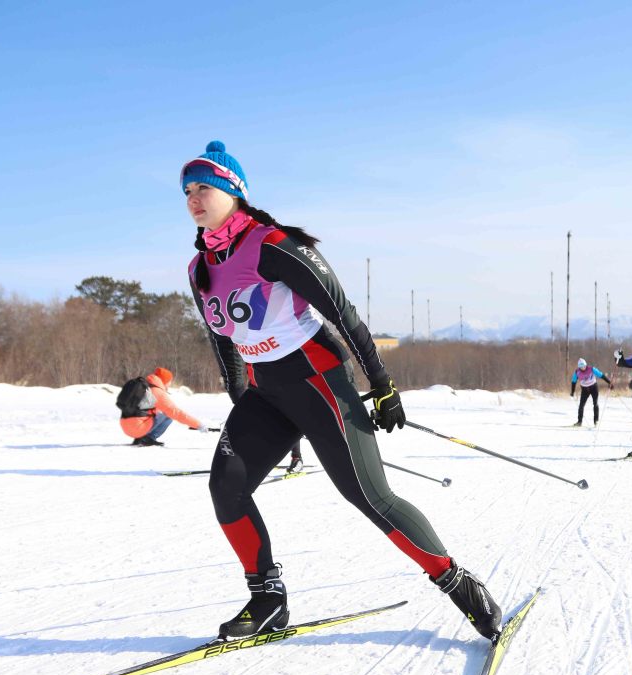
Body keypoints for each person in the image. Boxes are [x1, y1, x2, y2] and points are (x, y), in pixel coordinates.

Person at [181, 140, 501, 641]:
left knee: (369, 497)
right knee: (226, 485)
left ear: (234, 192)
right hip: (267, 394)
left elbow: (342, 312)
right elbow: (222, 339)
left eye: (204, 187)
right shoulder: (200, 268)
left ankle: (458, 584)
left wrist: (381, 383)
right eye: (187, 191)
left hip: (320, 385)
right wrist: (239, 393)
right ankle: (267, 600)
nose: (193, 198)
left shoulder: (272, 244)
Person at [119, 367, 208, 446]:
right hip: (138, 428)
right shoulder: (157, 392)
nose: (169, 384)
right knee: (168, 415)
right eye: (169, 382)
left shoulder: (144, 387)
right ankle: (149, 438)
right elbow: (177, 413)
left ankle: (141, 438)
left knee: (156, 413)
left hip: (125, 426)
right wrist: (198, 424)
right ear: (164, 381)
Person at [570, 357, 613, 426]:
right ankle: (579, 422)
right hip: (585, 390)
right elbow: (573, 382)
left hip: (594, 388)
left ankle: (596, 421)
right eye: (581, 367)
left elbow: (601, 375)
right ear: (579, 367)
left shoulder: (592, 369)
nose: (583, 368)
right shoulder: (577, 372)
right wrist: (572, 392)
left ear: (585, 365)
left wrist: (609, 383)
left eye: (583, 366)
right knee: (581, 405)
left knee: (595, 404)